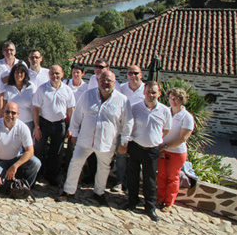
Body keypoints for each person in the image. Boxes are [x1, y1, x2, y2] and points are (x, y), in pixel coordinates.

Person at [57, 70, 133, 206]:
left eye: (109, 80)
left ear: (114, 83)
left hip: (107, 142)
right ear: (98, 81)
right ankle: (68, 191)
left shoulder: (122, 100)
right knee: (75, 163)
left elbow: (127, 122)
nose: (105, 83)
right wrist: (73, 133)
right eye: (102, 79)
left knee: (103, 167)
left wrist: (124, 141)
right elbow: (77, 115)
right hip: (85, 139)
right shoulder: (88, 95)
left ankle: (99, 192)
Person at [125, 81, 171, 222]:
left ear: (159, 94)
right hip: (135, 146)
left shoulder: (165, 111)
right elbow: (128, 126)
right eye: (148, 92)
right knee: (132, 177)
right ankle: (132, 201)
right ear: (144, 92)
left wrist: (154, 139)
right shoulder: (135, 108)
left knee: (150, 180)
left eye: (154, 92)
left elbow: (166, 129)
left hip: (151, 150)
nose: (151, 95)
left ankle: (150, 207)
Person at [32, 65, 75, 187]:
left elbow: (71, 110)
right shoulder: (42, 89)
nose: (55, 76)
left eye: (57, 73)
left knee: (56, 151)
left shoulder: (67, 90)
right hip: (44, 123)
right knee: (39, 149)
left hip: (60, 124)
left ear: (62, 74)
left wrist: (70, 128)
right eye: (52, 73)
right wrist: (37, 127)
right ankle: (37, 174)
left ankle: (51, 175)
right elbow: (36, 109)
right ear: (49, 74)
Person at [0, 103, 41, 196]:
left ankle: (26, 186)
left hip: (16, 159)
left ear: (18, 114)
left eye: (13, 113)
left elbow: (30, 151)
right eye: (7, 112)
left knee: (36, 163)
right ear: (3, 112)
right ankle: (8, 181)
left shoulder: (23, 128)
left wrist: (15, 166)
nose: (10, 115)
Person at [157, 88, 194, 213]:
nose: (173, 100)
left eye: (176, 98)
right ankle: (159, 198)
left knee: (173, 177)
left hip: (177, 152)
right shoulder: (165, 111)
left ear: (182, 100)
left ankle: (169, 202)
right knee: (161, 175)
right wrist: (160, 146)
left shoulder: (187, 117)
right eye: (171, 98)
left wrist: (165, 146)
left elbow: (182, 138)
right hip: (162, 149)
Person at [111, 64, 145, 193]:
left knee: (136, 158)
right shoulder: (122, 88)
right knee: (120, 156)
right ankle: (120, 181)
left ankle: (133, 185)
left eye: (136, 73)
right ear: (127, 75)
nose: (133, 76)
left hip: (140, 130)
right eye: (130, 73)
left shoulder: (145, 89)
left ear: (141, 75)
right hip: (123, 128)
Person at [0, 64, 35, 132]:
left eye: (21, 72)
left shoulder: (31, 87)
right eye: (17, 72)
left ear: (25, 74)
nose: (19, 74)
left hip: (28, 122)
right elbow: (3, 106)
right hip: (11, 122)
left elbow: (36, 105)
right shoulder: (7, 87)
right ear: (13, 74)